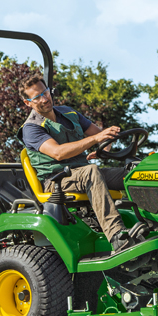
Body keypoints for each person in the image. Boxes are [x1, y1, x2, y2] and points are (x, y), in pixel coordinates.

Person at [19, 73, 138, 253]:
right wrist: (95, 139)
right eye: (37, 97)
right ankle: (117, 236)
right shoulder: (31, 128)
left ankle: (153, 223)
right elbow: (58, 153)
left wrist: (102, 150)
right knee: (91, 172)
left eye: (46, 92)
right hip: (56, 179)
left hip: (84, 171)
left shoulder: (68, 113)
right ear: (28, 103)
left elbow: (99, 134)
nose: (44, 99)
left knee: (135, 172)